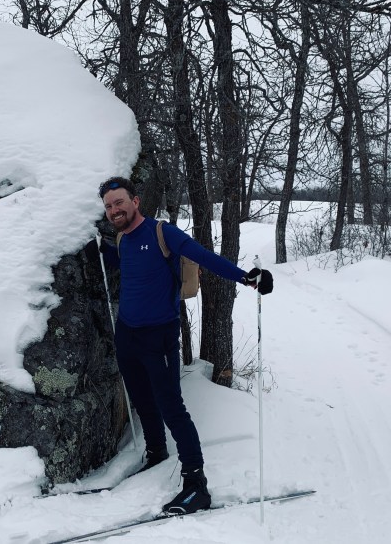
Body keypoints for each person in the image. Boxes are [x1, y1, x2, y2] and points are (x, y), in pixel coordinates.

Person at [96, 176, 273, 515]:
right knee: (142, 399)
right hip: (127, 335)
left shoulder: (162, 233)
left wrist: (246, 278)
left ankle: (196, 485)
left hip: (159, 336)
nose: (114, 209)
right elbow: (129, 265)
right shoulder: (122, 238)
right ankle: (156, 454)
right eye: (109, 206)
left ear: (135, 201)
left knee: (171, 407)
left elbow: (203, 256)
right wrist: (105, 251)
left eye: (119, 202)